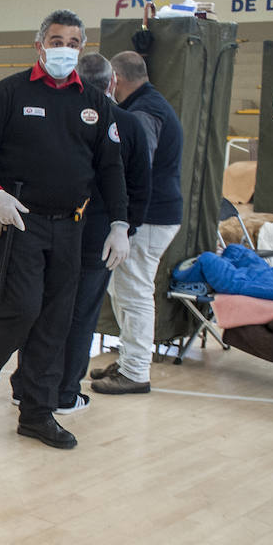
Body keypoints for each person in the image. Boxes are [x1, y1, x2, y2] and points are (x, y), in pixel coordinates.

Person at [0, 10, 129, 450]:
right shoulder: (9, 92)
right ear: (39, 44)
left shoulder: (94, 102)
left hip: (71, 226)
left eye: (74, 42)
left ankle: (36, 413)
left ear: (82, 48)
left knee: (56, 321)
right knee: (22, 311)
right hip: (21, 221)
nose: (65, 49)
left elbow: (110, 168)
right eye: (57, 40)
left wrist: (120, 223)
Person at [11, 53, 150, 413]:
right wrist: (125, 228)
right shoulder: (125, 123)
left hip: (58, 231)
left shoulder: (61, 116)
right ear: (111, 83)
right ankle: (63, 393)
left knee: (40, 310)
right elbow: (140, 187)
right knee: (77, 315)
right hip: (91, 236)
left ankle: (27, 385)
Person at [92, 51, 185, 395]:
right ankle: (130, 359)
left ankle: (135, 371)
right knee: (124, 290)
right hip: (154, 214)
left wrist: (123, 220)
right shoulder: (148, 103)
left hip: (149, 217)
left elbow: (134, 169)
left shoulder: (144, 113)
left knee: (134, 292)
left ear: (115, 78)